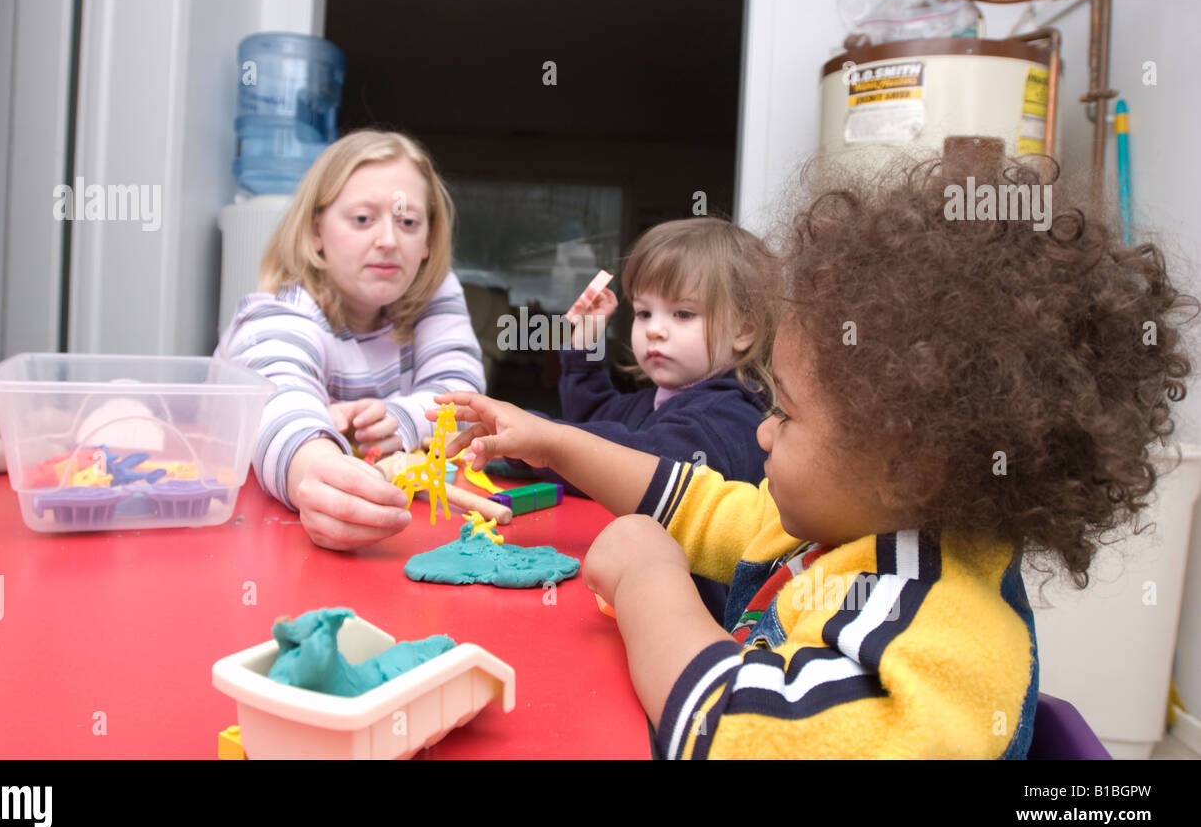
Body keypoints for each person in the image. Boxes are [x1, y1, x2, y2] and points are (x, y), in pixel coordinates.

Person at [434, 147, 1194, 758]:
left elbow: (730, 730)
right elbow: (705, 505)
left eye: (786, 415)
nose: (763, 430)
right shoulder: (851, 526)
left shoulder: (930, 633)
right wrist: (557, 442)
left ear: (909, 463)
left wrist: (646, 579)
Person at [216, 130, 485, 550]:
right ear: (315, 231)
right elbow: (278, 403)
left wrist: (400, 420)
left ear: (428, 241)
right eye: (362, 219)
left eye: (408, 222)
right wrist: (319, 471)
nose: (388, 241)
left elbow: (464, 395)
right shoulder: (277, 314)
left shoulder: (435, 294)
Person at [553, 217, 776, 485]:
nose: (653, 330)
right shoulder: (651, 402)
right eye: (644, 313)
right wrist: (586, 337)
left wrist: (543, 439)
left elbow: (641, 467)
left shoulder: (728, 417)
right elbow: (589, 416)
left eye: (683, 313)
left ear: (742, 332)